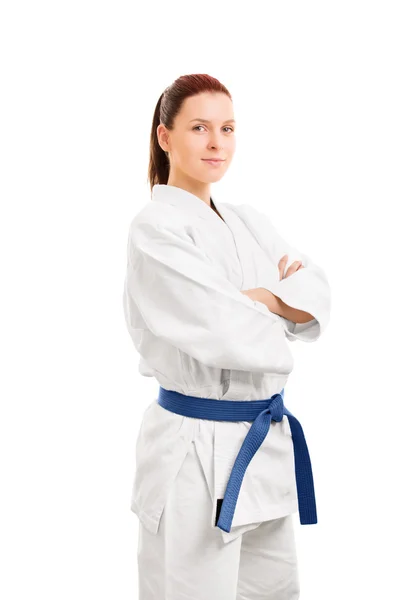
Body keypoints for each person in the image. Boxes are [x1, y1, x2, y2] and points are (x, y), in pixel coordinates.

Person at [122, 73, 331, 599]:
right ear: (165, 136)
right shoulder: (156, 229)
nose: (217, 142)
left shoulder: (248, 220)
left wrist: (269, 300)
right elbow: (221, 327)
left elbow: (316, 294)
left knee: (273, 591)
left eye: (228, 127)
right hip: (193, 449)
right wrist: (274, 300)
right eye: (199, 127)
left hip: (263, 449)